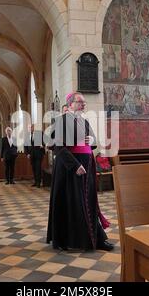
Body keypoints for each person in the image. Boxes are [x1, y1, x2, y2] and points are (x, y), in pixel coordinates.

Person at [46, 92, 113, 252]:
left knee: (89, 202)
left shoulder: (84, 121)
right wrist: (75, 165)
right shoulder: (62, 121)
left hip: (87, 166)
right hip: (71, 169)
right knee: (74, 203)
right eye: (80, 102)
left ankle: (96, 238)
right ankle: (71, 239)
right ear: (70, 104)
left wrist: (93, 141)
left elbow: (92, 142)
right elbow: (58, 147)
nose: (83, 105)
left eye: (84, 103)